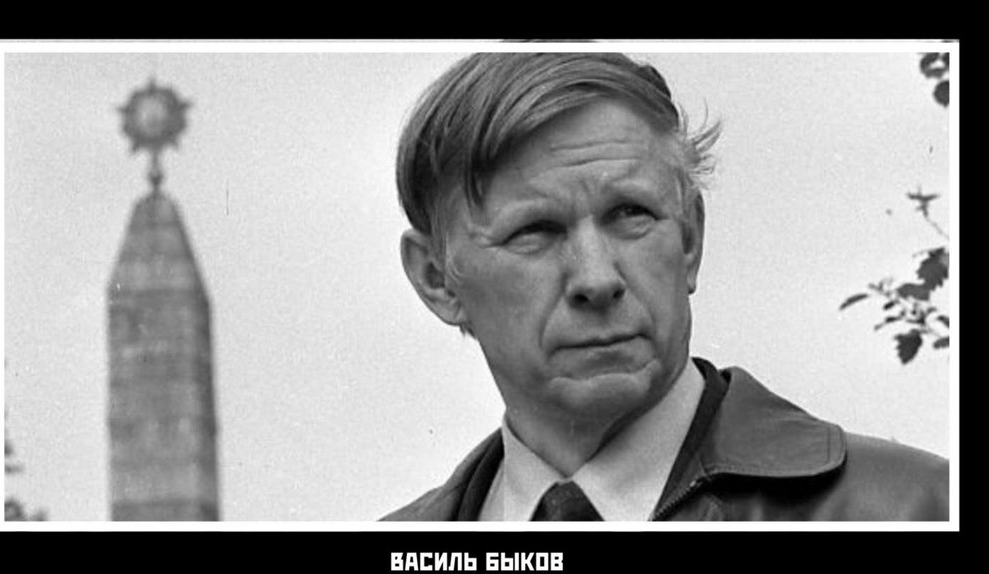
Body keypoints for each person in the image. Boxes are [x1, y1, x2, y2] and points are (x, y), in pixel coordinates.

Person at [384, 51, 949, 521]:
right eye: (535, 231)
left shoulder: (914, 509)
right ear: (438, 280)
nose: (597, 279)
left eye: (630, 213)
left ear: (690, 239)